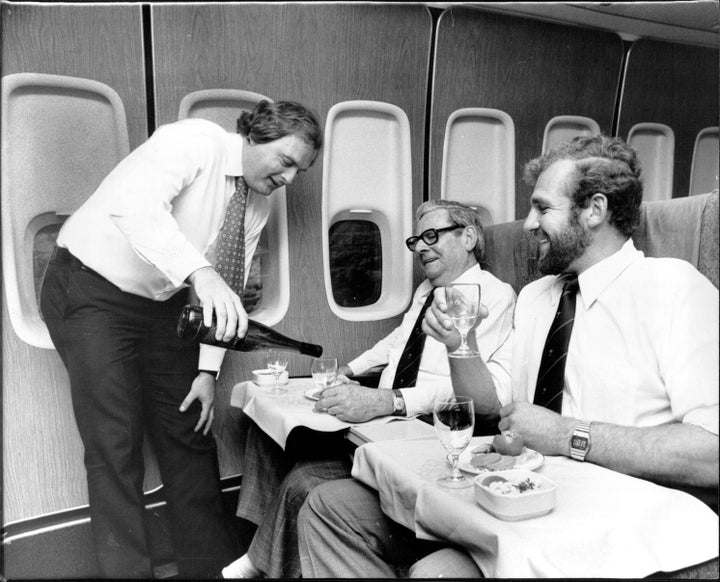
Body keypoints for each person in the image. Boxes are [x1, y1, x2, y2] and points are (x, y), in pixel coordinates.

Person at [297, 134, 719, 578]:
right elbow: (493, 407)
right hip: (520, 493)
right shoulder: (537, 296)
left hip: (621, 521)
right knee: (330, 508)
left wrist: (567, 436)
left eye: (543, 208)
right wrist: (461, 345)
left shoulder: (673, 289)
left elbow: (712, 452)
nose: (527, 225)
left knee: (434, 574)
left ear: (594, 210)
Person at [39, 100, 322, 578]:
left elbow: (226, 286)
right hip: (90, 288)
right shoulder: (194, 141)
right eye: (287, 162)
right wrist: (200, 272)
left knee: (190, 432)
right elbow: (132, 206)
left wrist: (207, 372)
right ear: (256, 136)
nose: (290, 179)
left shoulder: (256, 203)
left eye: (301, 170)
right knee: (115, 444)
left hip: (161, 304)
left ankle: (209, 570)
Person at [222, 199, 516, 578]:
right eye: (416, 240)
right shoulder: (428, 290)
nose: (421, 248)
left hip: (423, 423)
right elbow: (396, 341)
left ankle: (257, 564)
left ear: (469, 237)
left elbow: (472, 388)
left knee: (302, 477)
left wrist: (387, 400)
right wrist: (351, 368)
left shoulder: (491, 295)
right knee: (271, 438)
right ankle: (261, 554)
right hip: (385, 417)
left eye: (431, 236)